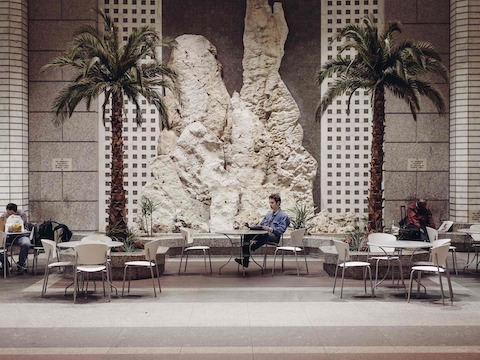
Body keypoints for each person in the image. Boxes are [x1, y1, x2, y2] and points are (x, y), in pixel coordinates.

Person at [235, 193, 290, 268]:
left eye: (272, 203)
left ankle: (250, 248)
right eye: (269, 203)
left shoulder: (283, 216)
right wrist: (252, 227)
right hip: (263, 234)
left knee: (266, 234)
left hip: (274, 236)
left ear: (278, 203)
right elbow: (261, 225)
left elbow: (281, 230)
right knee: (247, 235)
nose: (270, 205)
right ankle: (245, 260)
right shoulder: (268, 214)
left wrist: (270, 229)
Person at [1, 203, 31, 274]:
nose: (10, 215)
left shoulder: (22, 214)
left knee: (26, 243)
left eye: (12, 213)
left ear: (16, 211)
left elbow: (22, 225)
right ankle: (5, 263)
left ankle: (21, 264)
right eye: (8, 213)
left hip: (20, 236)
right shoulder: (4, 216)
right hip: (8, 237)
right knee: (0, 244)